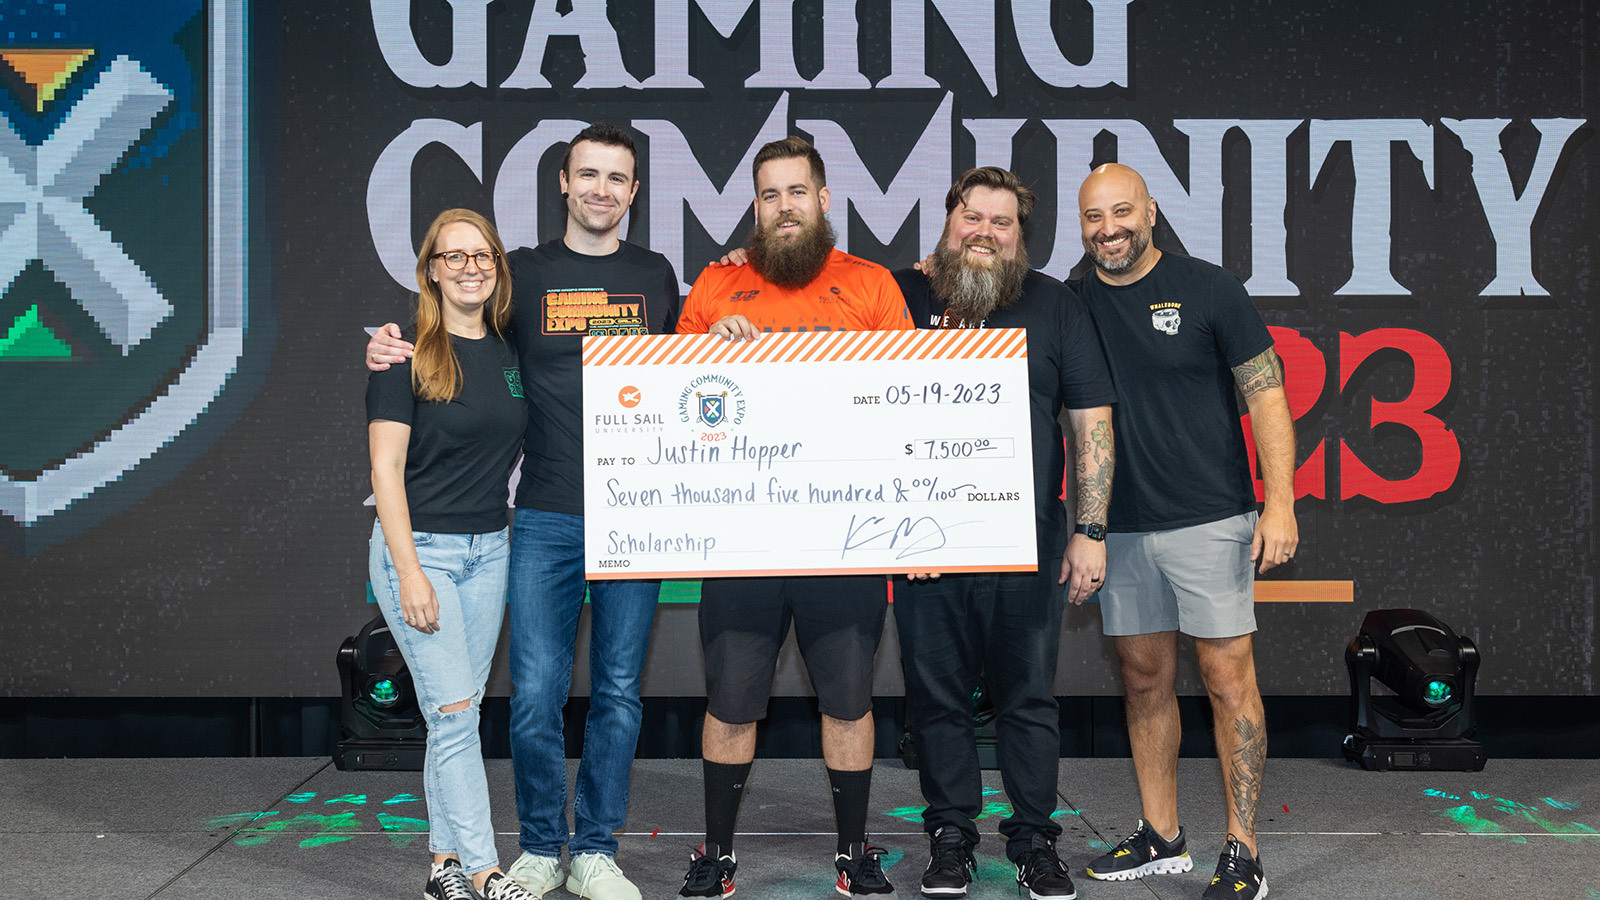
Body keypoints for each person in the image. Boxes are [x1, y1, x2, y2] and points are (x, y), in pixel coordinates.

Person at [368, 124, 681, 900]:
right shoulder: (523, 278)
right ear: (564, 185)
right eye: (588, 175)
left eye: (618, 177)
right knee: (536, 693)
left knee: (616, 691)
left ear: (633, 193)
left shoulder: (657, 275)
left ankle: (597, 850)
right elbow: (457, 334)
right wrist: (388, 345)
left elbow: (692, 371)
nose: (602, 189)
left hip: (635, 520)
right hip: (541, 515)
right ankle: (541, 847)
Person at [674, 136, 912, 900]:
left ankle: (853, 851)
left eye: (796, 192)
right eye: (770, 195)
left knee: (849, 702)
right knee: (730, 702)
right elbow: (673, 413)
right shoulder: (716, 288)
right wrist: (708, 354)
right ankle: (716, 854)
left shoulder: (872, 287)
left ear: (823, 202)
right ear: (755, 206)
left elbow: (908, 409)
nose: (784, 207)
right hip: (742, 543)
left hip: (844, 543)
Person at [1072, 163, 1296, 900]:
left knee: (1229, 683)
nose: (1110, 229)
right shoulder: (1068, 302)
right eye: (1094, 217)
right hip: (1121, 529)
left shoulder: (1209, 288)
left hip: (1212, 517)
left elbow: (1266, 393)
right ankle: (1162, 837)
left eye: (1122, 212)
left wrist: (1282, 501)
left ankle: (1244, 852)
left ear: (1152, 210)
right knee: (1143, 683)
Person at [892, 167, 1116, 900]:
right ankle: (951, 835)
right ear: (948, 223)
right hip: (923, 543)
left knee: (1026, 698)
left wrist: (1090, 529)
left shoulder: (1055, 305)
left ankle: (1032, 840)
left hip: (1026, 542)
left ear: (1021, 236)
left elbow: (1091, 421)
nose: (984, 231)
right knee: (937, 698)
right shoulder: (901, 295)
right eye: (972, 217)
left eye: (1002, 222)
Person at [366, 208, 538, 900]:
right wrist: (410, 571)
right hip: (420, 552)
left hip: (489, 549)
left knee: (453, 716)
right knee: (458, 715)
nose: (470, 267)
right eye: (454, 256)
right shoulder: (401, 352)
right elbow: (384, 472)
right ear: (430, 269)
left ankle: (442, 867)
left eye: (483, 256)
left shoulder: (505, 348)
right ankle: (486, 870)